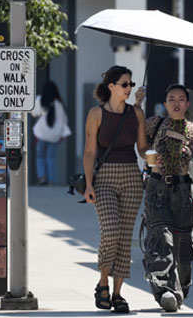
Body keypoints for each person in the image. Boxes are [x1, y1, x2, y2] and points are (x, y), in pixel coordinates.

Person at [134, 84, 193, 312]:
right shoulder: (155, 123)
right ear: (165, 104)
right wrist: (137, 104)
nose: (176, 103)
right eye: (171, 99)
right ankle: (165, 291)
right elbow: (140, 144)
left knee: (182, 246)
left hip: (183, 191)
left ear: (187, 104)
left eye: (181, 98)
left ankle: (181, 286)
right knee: (160, 239)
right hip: (157, 188)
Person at [83, 66, 147, 313]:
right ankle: (102, 282)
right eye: (124, 84)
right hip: (105, 177)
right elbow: (90, 151)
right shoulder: (96, 113)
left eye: (130, 84)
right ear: (111, 87)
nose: (129, 88)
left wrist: (152, 157)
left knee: (124, 237)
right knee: (110, 232)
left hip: (131, 175)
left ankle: (118, 293)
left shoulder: (136, 114)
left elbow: (142, 149)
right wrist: (89, 184)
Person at [31, 81, 71, 185]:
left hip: (41, 135)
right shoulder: (59, 104)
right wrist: (62, 135)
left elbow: (34, 113)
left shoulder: (40, 100)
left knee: (40, 157)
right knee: (51, 158)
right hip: (54, 136)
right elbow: (64, 120)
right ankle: (51, 180)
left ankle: (42, 177)